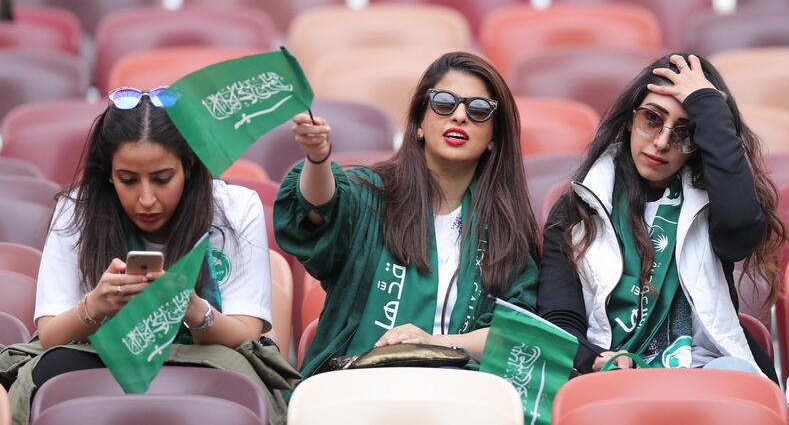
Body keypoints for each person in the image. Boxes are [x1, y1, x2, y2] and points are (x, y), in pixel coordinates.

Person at [0, 87, 297, 424]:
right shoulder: (75, 210)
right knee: (48, 372)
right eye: (128, 180)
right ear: (108, 173)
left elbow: (246, 334)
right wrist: (95, 306)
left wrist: (193, 309)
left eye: (162, 179)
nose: (146, 199)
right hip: (98, 354)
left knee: (245, 385)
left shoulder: (236, 209)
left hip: (208, 356)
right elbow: (51, 335)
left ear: (188, 166)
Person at [274, 51, 539, 378]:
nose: (459, 116)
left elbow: (518, 335)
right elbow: (319, 208)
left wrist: (434, 343)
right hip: (357, 383)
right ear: (419, 124)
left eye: (479, 109)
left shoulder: (504, 228)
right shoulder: (372, 196)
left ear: (493, 138)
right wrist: (318, 159)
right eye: (444, 103)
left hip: (458, 387)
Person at [537, 53, 785, 382]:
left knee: (737, 378)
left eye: (685, 132)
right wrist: (594, 359)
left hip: (702, 370)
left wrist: (708, 107)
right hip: (610, 374)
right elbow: (559, 318)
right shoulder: (577, 209)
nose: (662, 142)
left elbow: (741, 231)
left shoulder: (712, 202)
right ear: (630, 120)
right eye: (652, 119)